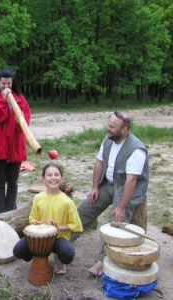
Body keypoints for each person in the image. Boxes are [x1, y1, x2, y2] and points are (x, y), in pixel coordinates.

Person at [69, 110, 149, 276]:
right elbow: (99, 162)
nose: (108, 129)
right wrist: (95, 187)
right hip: (108, 183)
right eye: (108, 125)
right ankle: (63, 243)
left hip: (127, 189)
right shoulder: (109, 140)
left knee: (115, 225)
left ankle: (102, 261)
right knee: (83, 210)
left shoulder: (136, 149)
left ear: (124, 128)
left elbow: (131, 181)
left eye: (112, 127)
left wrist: (121, 207)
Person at [13, 163, 83, 275]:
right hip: (39, 237)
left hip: (58, 238)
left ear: (61, 178)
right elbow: (33, 217)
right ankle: (37, 255)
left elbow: (75, 225)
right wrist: (34, 222)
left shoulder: (67, 201)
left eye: (56, 174)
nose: (53, 178)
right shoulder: (38, 197)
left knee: (68, 254)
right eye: (49, 175)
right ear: (43, 179)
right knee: (18, 251)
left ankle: (59, 258)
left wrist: (57, 228)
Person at [0, 68, 31, 214]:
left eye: (9, 84)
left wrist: (19, 120)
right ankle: (0, 213)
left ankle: (11, 211)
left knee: (13, 183)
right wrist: (4, 101)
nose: (6, 87)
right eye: (3, 84)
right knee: (0, 183)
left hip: (16, 146)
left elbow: (25, 123)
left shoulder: (20, 99)